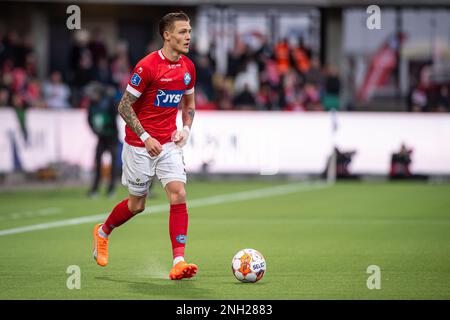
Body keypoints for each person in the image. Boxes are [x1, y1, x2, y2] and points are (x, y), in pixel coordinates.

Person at [92, 11, 198, 280]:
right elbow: (124, 106)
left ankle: (179, 261)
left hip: (168, 143)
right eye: (182, 32)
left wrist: (185, 129)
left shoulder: (188, 68)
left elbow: (189, 106)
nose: (188, 37)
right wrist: (145, 136)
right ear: (167, 35)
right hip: (139, 145)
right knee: (137, 204)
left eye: (189, 31)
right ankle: (103, 231)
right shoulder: (147, 67)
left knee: (178, 193)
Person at [87, 82, 119, 198]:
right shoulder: (92, 104)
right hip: (101, 137)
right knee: (98, 161)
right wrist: (96, 131)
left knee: (113, 162)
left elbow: (115, 112)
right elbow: (89, 119)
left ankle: (111, 189)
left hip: (112, 136)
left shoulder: (108, 101)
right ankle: (95, 188)